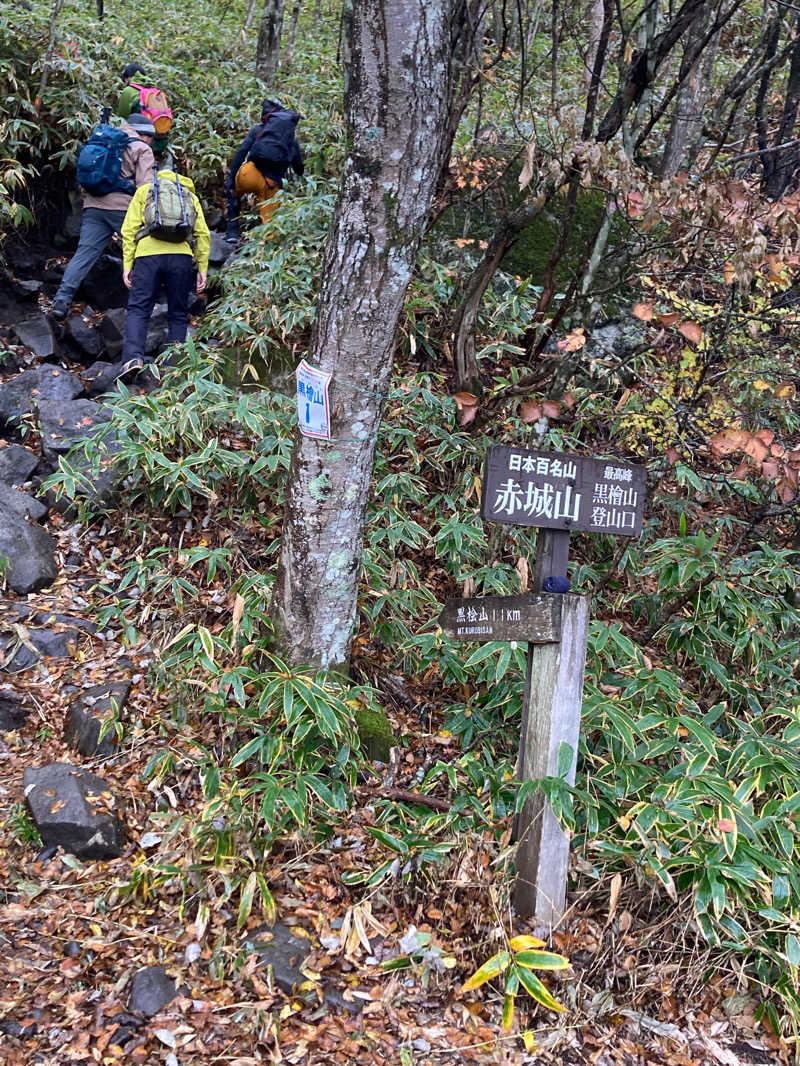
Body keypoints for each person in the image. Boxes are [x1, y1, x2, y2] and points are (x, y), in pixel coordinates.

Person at [51, 113, 156, 321]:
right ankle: (145, 303)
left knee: (84, 254)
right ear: (144, 134)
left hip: (93, 207)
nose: (151, 141)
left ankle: (61, 301)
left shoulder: (102, 139)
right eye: (151, 137)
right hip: (123, 210)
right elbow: (146, 188)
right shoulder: (142, 149)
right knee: (142, 251)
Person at [118, 166, 210, 377]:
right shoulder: (187, 194)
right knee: (178, 312)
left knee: (139, 309)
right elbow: (203, 234)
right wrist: (202, 269)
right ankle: (172, 367)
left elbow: (129, 230)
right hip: (181, 258)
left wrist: (127, 265)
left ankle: (133, 358)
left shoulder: (146, 191)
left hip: (147, 256)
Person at [225, 98, 304, 242]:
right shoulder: (291, 138)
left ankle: (232, 232)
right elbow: (298, 167)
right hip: (272, 184)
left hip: (249, 176)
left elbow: (241, 152)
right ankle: (264, 249)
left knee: (233, 191)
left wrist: (231, 180)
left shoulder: (257, 130)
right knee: (270, 224)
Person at [116, 63, 172, 159]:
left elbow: (122, 118)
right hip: (160, 140)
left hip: (140, 141)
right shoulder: (155, 91)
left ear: (127, 77)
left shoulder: (128, 90)